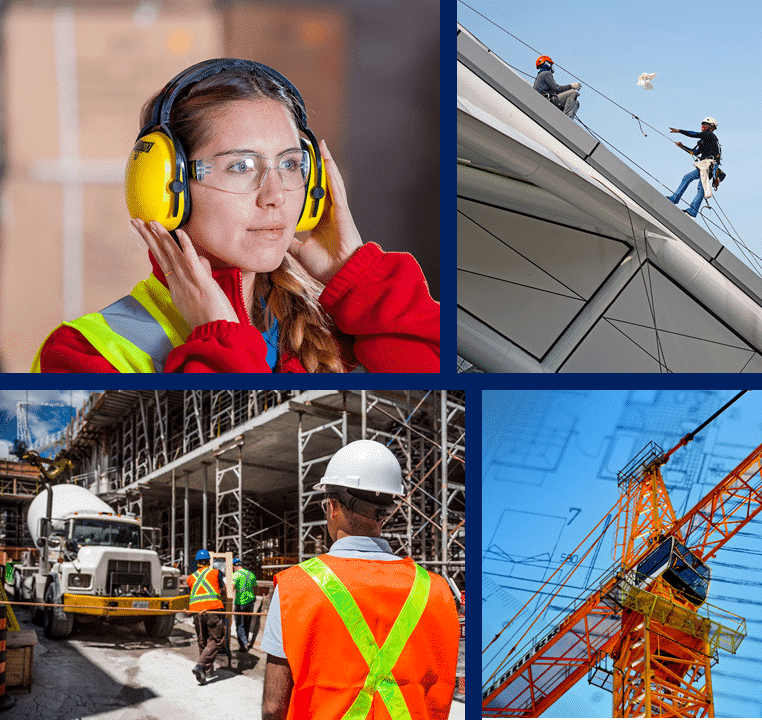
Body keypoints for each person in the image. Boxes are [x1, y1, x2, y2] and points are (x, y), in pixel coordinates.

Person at [31, 58, 440, 373]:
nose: (275, 195)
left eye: (290, 164)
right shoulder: (82, 353)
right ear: (164, 186)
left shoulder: (350, 325)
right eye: (241, 166)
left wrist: (361, 281)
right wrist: (220, 342)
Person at [260, 440, 460, 720]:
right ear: (386, 511)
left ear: (331, 507)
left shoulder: (294, 588)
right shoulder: (437, 590)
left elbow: (273, 707)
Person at [666, 117, 722, 218]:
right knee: (687, 178)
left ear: (712, 128)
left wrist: (679, 131)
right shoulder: (704, 141)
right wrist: (683, 147)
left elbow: (694, 134)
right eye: (703, 124)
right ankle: (675, 199)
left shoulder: (709, 135)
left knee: (700, 188)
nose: (703, 126)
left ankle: (692, 210)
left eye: (706, 124)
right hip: (703, 165)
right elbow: (695, 152)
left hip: (708, 166)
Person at [187, 548, 227, 685]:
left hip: (196, 612)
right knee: (216, 640)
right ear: (209, 562)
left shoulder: (191, 578)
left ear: (197, 562)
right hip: (212, 609)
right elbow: (222, 589)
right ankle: (201, 665)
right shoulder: (216, 573)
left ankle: (207, 671)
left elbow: (192, 593)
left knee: (202, 640)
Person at [232, 556, 257, 653]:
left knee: (240, 624)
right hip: (250, 602)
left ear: (235, 566)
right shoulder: (250, 574)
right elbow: (256, 588)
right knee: (247, 623)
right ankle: (246, 642)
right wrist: (253, 597)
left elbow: (231, 588)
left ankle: (243, 645)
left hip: (240, 603)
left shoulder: (236, 575)